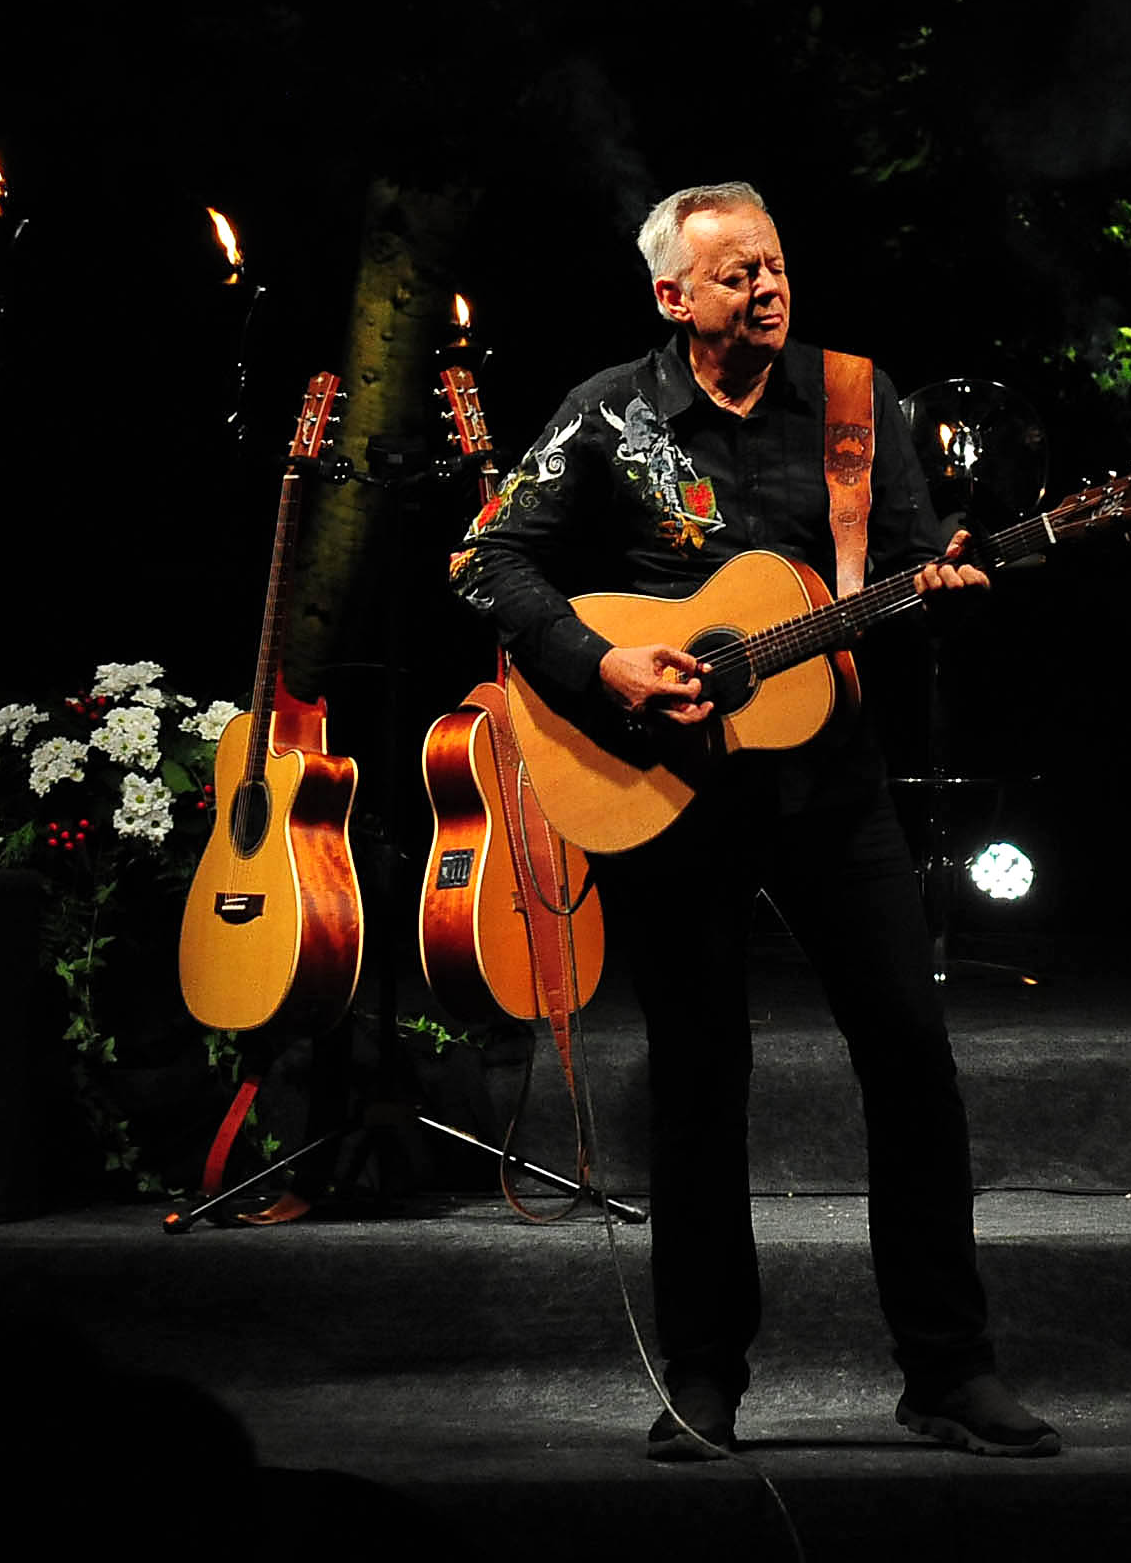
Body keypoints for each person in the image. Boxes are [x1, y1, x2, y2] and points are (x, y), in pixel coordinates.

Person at [445, 180, 1059, 1462]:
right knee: (696, 1085)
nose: (768, 288)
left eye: (775, 266)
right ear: (671, 295)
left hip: (830, 778)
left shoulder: (853, 398)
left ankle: (947, 1371)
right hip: (663, 794)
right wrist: (598, 663)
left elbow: (893, 563)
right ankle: (705, 1378)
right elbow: (485, 558)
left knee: (910, 1059)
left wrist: (942, 578)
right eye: (737, 274)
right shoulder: (609, 411)